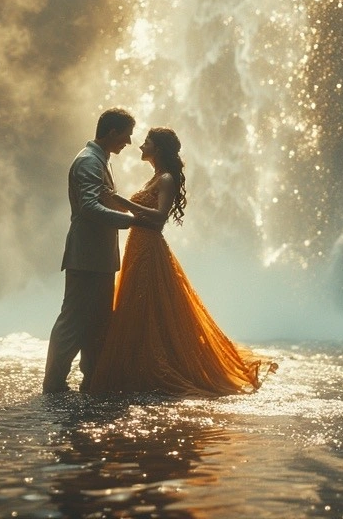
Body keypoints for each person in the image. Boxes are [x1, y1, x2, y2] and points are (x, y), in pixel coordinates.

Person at [85, 127, 276, 396]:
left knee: (147, 307)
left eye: (146, 143)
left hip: (150, 249)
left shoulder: (166, 179)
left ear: (158, 149)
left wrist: (122, 201)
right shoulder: (154, 178)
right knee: (139, 307)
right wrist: (113, 203)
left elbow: (160, 217)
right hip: (137, 247)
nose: (140, 146)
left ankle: (149, 369)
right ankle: (136, 368)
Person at [43, 107, 152, 394]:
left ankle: (92, 380)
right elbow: (90, 208)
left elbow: (103, 201)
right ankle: (53, 384)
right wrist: (133, 221)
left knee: (97, 322)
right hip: (87, 256)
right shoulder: (89, 162)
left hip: (98, 256)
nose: (128, 143)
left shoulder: (100, 160)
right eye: (126, 136)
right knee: (73, 321)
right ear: (112, 132)